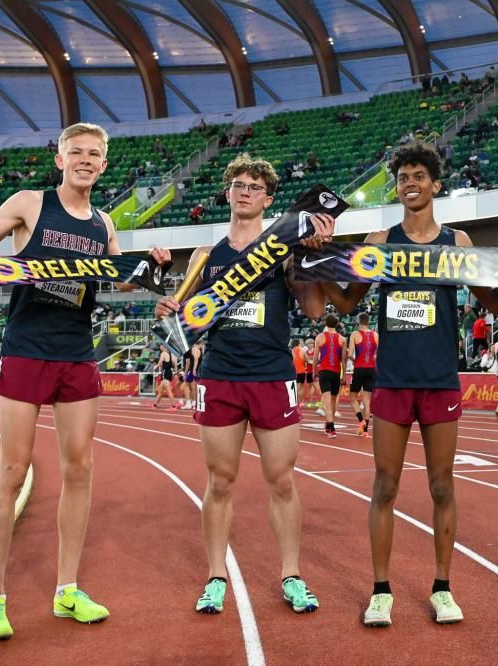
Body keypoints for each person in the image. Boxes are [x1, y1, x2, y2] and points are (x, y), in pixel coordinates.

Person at [0, 122, 171, 641]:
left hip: (76, 353)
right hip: (27, 349)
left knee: (80, 468)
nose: (85, 159)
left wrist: (152, 272)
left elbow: (118, 276)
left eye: (94, 154)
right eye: (76, 151)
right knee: (12, 469)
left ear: (103, 164)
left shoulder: (103, 223)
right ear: (60, 159)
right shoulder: (30, 203)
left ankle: (67, 590)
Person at [319, 142, 498, 627]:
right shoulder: (379, 240)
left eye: (418, 176)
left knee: (441, 486)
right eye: (403, 177)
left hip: (439, 381)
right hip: (392, 381)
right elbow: (347, 304)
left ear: (435, 185)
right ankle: (381, 590)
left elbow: (493, 305)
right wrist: (321, 266)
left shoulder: (458, 243)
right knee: (385, 486)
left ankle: (443, 588)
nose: (409, 183)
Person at [154, 153, 334, 617]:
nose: (246, 191)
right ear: (228, 192)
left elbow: (315, 311)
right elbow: (182, 315)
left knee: (282, 481)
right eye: (238, 184)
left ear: (270, 199)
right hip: (220, 375)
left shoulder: (285, 249)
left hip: (273, 374)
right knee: (220, 481)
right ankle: (216, 577)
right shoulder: (205, 256)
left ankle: (291, 575)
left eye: (255, 186)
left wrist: (314, 259)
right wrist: (167, 312)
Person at [315, 314, 346, 439]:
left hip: (324, 371)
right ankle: (329, 425)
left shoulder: (320, 337)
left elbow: (316, 357)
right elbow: (343, 359)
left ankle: (331, 428)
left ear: (325, 324)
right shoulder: (342, 339)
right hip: (336, 372)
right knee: (333, 401)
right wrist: (343, 376)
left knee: (327, 400)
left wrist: (313, 371)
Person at [347, 313, 379, 436]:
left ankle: (361, 421)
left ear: (358, 322)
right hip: (371, 369)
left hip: (359, 368)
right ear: (369, 321)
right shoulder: (375, 335)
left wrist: (355, 360)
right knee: (367, 400)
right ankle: (365, 431)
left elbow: (350, 354)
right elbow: (378, 354)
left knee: (353, 398)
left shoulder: (355, 334)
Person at [150, 344, 180, 410]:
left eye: (160, 346)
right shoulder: (173, 354)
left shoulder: (163, 353)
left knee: (168, 391)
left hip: (165, 372)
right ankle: (155, 404)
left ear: (164, 347)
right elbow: (175, 365)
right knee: (160, 391)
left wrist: (154, 369)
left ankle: (173, 406)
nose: (160, 347)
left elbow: (160, 363)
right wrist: (176, 373)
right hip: (169, 372)